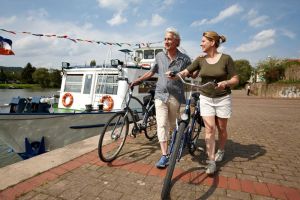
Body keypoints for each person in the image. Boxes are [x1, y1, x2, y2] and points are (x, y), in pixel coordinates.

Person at [167, 31, 239, 175]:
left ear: (212, 43)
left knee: (222, 128)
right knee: (210, 129)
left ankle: (222, 149)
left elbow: (236, 79)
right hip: (206, 97)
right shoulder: (200, 60)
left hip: (223, 97)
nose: (200, 44)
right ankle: (211, 161)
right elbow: (186, 71)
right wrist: (176, 75)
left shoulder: (226, 59)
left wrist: (226, 82)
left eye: (203, 41)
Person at [130, 27, 191, 168]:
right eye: (165, 39)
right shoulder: (159, 56)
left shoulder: (185, 59)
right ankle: (164, 155)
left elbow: (191, 73)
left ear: (177, 41)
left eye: (169, 39)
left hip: (176, 95)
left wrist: (189, 71)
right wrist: (138, 80)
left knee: (171, 126)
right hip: (160, 95)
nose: (166, 41)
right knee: (161, 124)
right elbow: (152, 72)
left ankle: (177, 141)